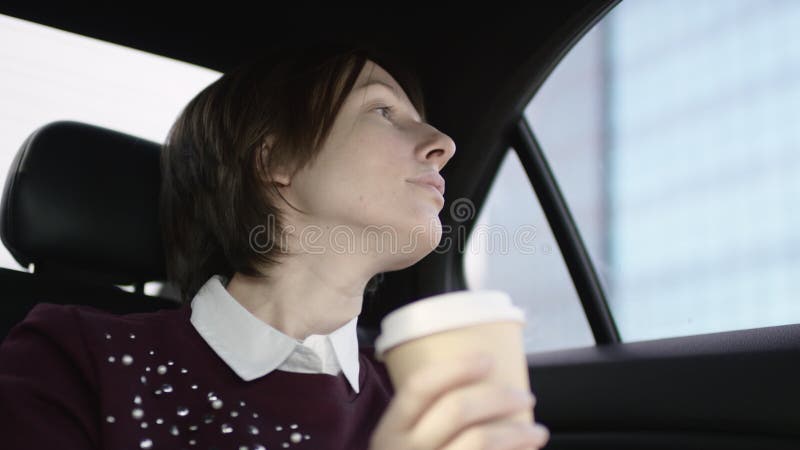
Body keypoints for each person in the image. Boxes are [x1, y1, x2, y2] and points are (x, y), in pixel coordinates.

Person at [0, 43, 550, 449]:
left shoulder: (417, 396)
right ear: (275, 161)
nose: (443, 145)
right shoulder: (76, 358)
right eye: (383, 111)